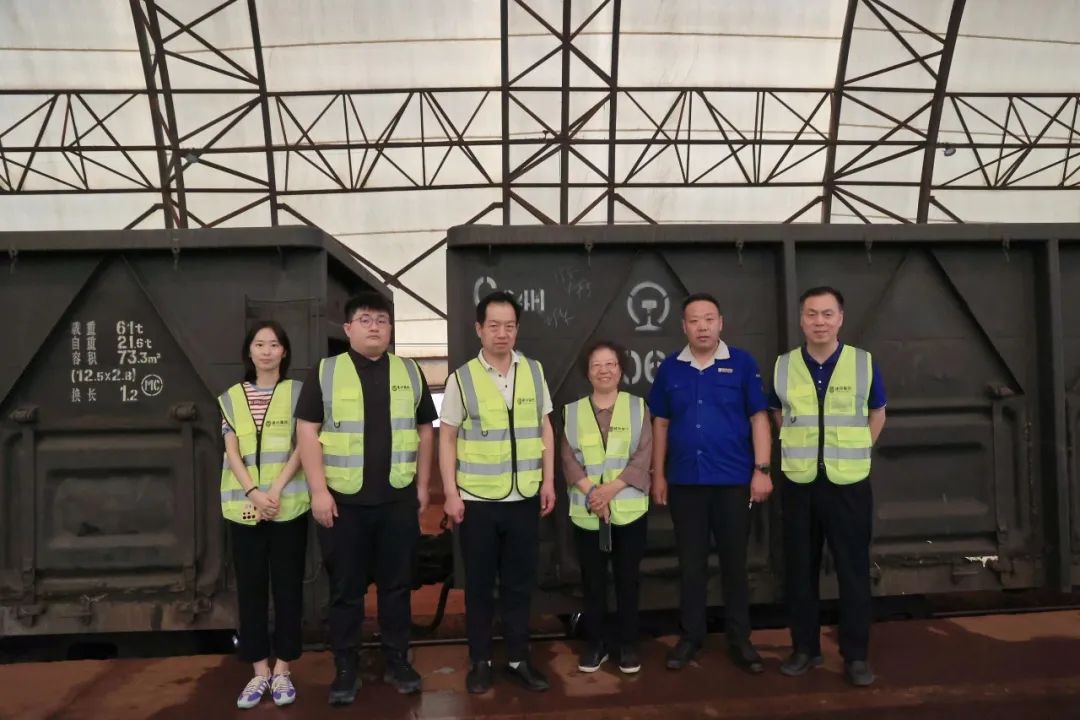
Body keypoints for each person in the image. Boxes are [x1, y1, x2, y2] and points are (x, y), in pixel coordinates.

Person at [295, 292, 437, 705]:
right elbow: (307, 430)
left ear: (390, 329)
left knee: (397, 587)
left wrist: (422, 486)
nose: (374, 326)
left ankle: (398, 660)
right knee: (345, 590)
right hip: (343, 504)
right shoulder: (326, 371)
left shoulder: (410, 371)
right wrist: (318, 491)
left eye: (381, 320)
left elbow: (425, 429)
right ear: (348, 328)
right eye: (365, 319)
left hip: (397, 501)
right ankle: (345, 668)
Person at [439, 290, 557, 694]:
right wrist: (450, 493)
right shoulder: (462, 378)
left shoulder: (534, 371)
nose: (502, 333)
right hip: (477, 502)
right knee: (479, 587)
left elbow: (545, 428)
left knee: (519, 585)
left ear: (517, 329)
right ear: (479, 329)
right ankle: (481, 661)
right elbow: (447, 437)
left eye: (509, 326)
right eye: (494, 326)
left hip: (524, 499)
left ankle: (520, 658)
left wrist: (548, 481)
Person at [648, 292, 773, 674]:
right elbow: (660, 423)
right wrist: (658, 473)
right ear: (683, 326)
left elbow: (759, 418)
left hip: (733, 481)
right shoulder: (671, 369)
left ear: (721, 323)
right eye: (694, 320)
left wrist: (762, 470)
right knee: (691, 566)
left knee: (735, 564)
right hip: (686, 482)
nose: (702, 327)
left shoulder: (742, 364)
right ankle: (691, 638)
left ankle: (740, 640)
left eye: (708, 319)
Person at [770, 286, 886, 687]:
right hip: (800, 483)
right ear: (801, 319)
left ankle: (856, 657)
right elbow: (777, 412)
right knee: (800, 572)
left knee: (853, 572)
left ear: (840, 319)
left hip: (848, 485)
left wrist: (858, 448)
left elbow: (878, 412)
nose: (819, 321)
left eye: (827, 314)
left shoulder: (862, 363)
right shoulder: (784, 365)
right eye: (811, 314)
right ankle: (805, 650)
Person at [218, 321, 309, 709]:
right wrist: (254, 492)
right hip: (244, 508)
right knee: (251, 590)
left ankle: (283, 669)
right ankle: (259, 672)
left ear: (284, 351)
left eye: (274, 344)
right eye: (260, 344)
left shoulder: (299, 393)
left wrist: (275, 490)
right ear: (249, 351)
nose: (267, 351)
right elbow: (231, 451)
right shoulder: (230, 398)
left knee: (288, 588)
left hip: (288, 506)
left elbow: (304, 445)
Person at [560, 340, 652, 675]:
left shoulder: (637, 407)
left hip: (629, 510)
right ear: (587, 372)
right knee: (593, 582)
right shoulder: (572, 412)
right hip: (588, 513)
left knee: (628, 579)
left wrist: (610, 491)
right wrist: (593, 495)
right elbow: (568, 460)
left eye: (610, 364)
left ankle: (628, 645)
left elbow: (643, 455)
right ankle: (595, 644)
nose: (604, 371)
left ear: (621, 369)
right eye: (596, 365)